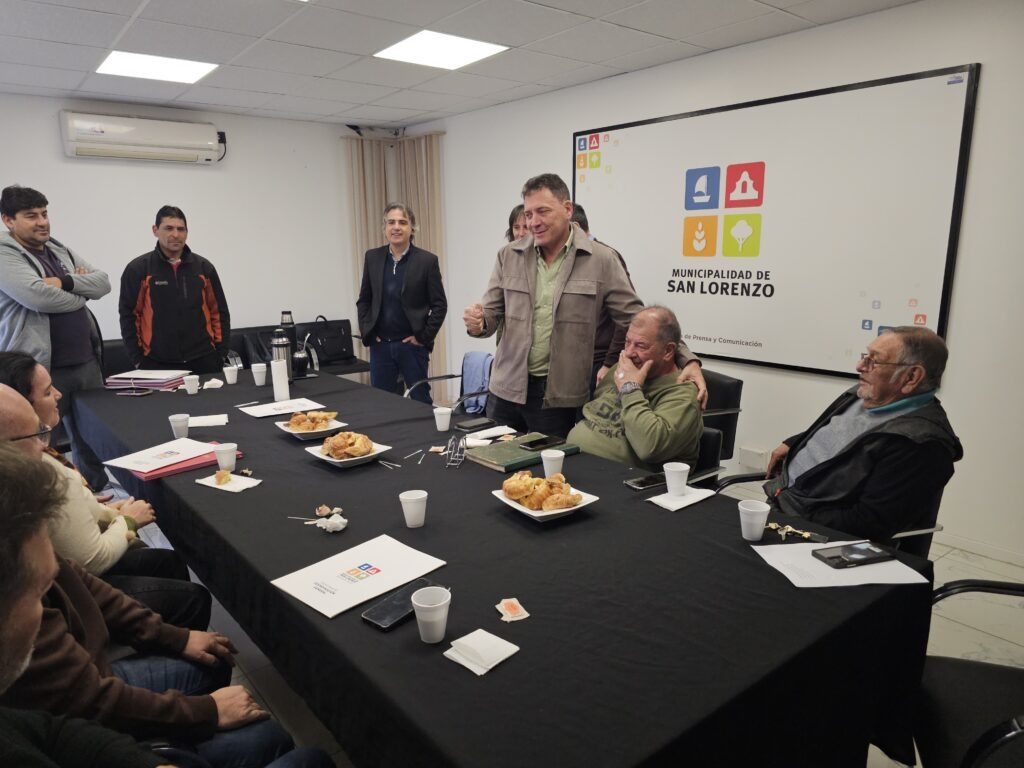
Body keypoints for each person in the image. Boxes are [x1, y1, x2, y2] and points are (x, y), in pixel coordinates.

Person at [0, 443, 333, 768]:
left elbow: (61, 733)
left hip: (91, 693)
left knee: (219, 666)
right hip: (92, 698)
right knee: (293, 751)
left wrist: (177, 640)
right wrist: (203, 714)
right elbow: (86, 703)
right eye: (39, 590)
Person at [464, 173, 705, 437]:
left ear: (567, 209)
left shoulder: (601, 260)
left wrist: (687, 359)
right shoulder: (508, 255)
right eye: (529, 214)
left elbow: (638, 319)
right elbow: (491, 313)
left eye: (542, 211)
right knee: (490, 459)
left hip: (557, 398)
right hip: (505, 389)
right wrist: (479, 322)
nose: (533, 222)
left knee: (549, 464)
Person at [0, 358, 209, 628]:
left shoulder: (31, 461)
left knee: (168, 562)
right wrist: (128, 521)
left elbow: (69, 521)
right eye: (48, 391)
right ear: (21, 408)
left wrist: (104, 512)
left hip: (67, 582)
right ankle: (172, 645)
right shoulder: (46, 472)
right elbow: (93, 560)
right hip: (71, 594)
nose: (59, 395)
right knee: (193, 599)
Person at [763, 326, 963, 542]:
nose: (860, 366)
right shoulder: (867, 394)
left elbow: (868, 523)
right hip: (780, 501)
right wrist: (794, 443)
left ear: (911, 377)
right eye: (865, 356)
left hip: (806, 531)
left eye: (874, 361)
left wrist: (792, 516)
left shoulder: (921, 445)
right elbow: (842, 434)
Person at [0, 184, 111, 491]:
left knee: (93, 436)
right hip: (40, 369)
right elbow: (38, 297)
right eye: (31, 215)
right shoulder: (5, 254)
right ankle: (49, 499)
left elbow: (102, 283)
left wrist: (63, 281)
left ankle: (95, 494)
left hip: (85, 361)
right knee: (40, 441)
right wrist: (82, 292)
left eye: (44, 214)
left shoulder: (58, 249)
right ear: (8, 220)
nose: (42, 222)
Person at [568, 307, 702, 470]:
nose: (629, 353)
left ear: (668, 351)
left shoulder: (682, 393)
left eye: (641, 346)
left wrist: (630, 389)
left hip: (624, 478)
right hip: (575, 462)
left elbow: (650, 447)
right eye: (627, 342)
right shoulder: (623, 368)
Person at [119, 206, 231, 375]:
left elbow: (219, 313)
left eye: (181, 229)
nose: (176, 234)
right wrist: (138, 360)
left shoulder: (204, 268)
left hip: (204, 361)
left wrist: (220, 355)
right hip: (157, 363)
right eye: (169, 228)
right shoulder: (138, 269)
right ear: (155, 230)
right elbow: (129, 316)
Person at [356, 203, 448, 405]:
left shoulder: (427, 261)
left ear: (412, 228)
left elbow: (440, 305)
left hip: (412, 347)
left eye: (402, 222)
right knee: (382, 404)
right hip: (380, 347)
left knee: (420, 401)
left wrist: (423, 337)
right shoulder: (372, 257)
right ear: (385, 228)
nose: (396, 227)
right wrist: (367, 332)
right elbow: (364, 300)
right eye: (391, 222)